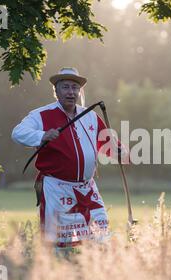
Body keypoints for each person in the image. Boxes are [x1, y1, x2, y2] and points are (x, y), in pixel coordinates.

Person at [12, 67, 125, 248]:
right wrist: (41, 136)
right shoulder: (41, 115)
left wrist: (120, 152)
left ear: (79, 91)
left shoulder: (90, 116)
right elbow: (18, 133)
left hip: (87, 188)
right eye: (65, 87)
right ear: (56, 91)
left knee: (101, 234)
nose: (71, 92)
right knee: (57, 241)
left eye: (74, 87)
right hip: (56, 188)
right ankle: (54, 272)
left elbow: (106, 142)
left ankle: (95, 271)